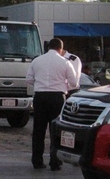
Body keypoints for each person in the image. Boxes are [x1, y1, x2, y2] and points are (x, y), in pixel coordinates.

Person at [26, 38, 78, 171]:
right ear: (60, 49)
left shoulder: (37, 60)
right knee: (56, 131)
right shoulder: (65, 62)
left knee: (38, 130)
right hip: (57, 97)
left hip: (40, 96)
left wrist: (41, 83)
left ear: (48, 47)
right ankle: (55, 162)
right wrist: (62, 83)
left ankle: (37, 161)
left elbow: (29, 79)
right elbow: (74, 83)